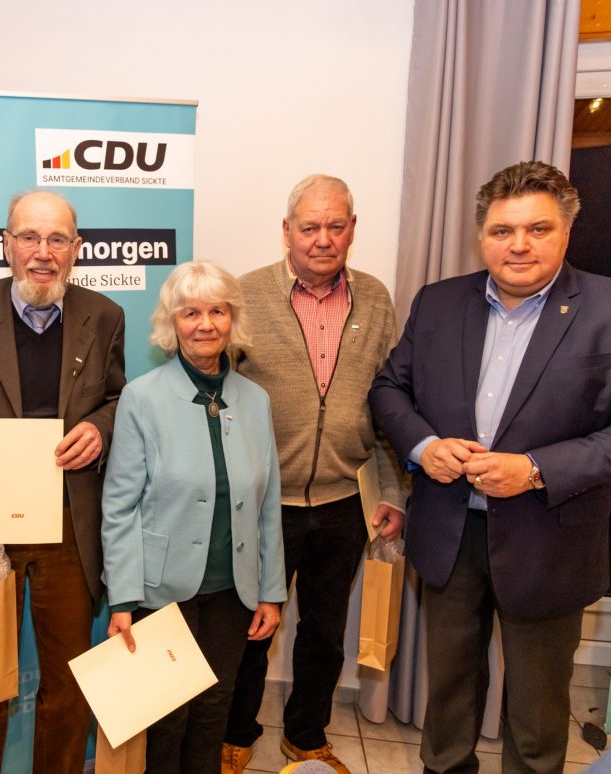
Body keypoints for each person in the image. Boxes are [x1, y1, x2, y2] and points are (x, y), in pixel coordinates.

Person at [370, 160, 611, 773]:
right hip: (449, 535)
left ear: (567, 232)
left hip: (549, 542)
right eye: (503, 230)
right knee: (448, 700)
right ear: (482, 235)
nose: (519, 244)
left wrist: (534, 469)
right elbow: (389, 389)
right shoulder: (439, 302)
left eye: (538, 228)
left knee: (536, 715)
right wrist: (425, 447)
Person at [0, 190, 126, 774]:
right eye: (29, 237)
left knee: (68, 685)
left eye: (57, 239)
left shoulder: (104, 316)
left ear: (76, 249)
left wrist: (101, 428)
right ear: (6, 244)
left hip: (69, 526)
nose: (43, 252)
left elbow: (117, 399)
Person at [221, 174, 405, 774]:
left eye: (335, 225)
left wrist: (393, 491)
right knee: (250, 629)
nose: (322, 239)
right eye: (309, 227)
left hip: (345, 501)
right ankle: (235, 734)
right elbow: (212, 396)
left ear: (352, 230)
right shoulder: (245, 295)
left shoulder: (375, 298)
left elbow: (389, 403)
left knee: (325, 632)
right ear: (287, 231)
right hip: (262, 502)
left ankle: (305, 735)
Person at [101, 260, 287, 773]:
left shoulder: (255, 400)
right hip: (161, 589)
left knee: (213, 707)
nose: (205, 324)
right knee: (168, 715)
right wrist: (123, 597)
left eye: (217, 311)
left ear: (232, 319)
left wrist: (272, 591)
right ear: (172, 323)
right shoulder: (142, 397)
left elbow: (268, 502)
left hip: (234, 589)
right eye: (191, 313)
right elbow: (119, 506)